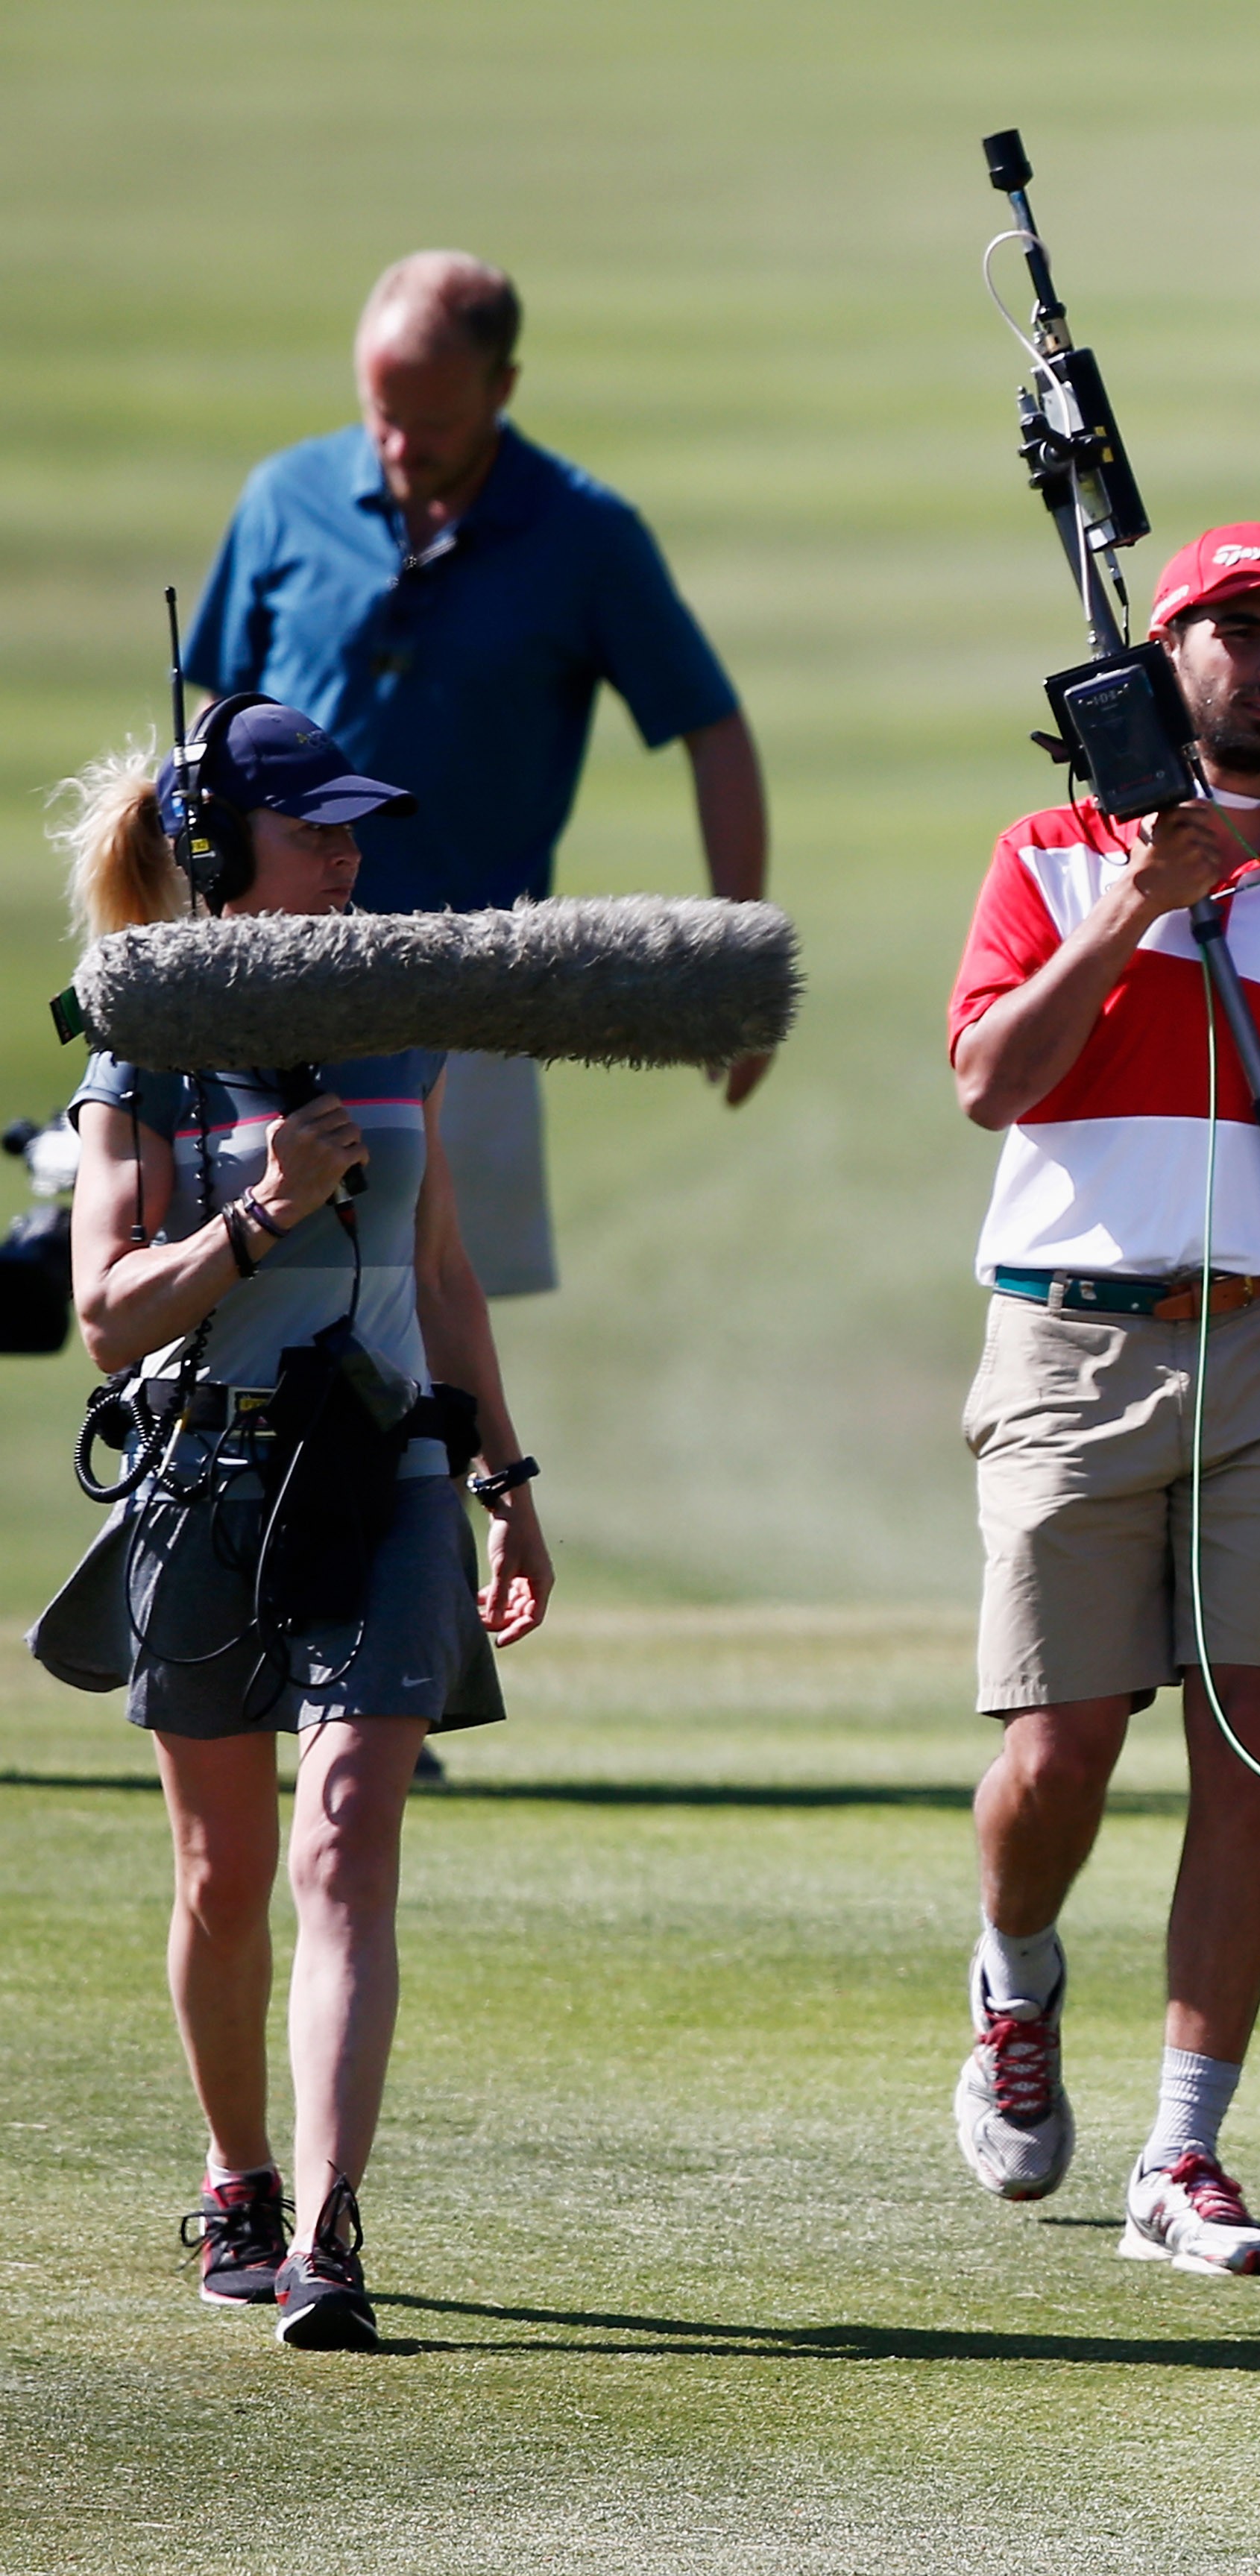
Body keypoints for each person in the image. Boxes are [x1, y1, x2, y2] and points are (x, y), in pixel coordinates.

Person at [28, 703, 554, 2351]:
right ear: (212, 848)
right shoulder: (141, 1052)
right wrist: (264, 1210)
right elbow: (106, 1314)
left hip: (387, 1477)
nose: (345, 853)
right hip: (209, 1475)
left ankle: (327, 2235)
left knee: (343, 1836)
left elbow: (446, 1276)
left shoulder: (405, 1029)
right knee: (223, 1866)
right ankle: (238, 2175)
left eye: (351, 828)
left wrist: (509, 1487)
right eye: (312, 827)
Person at [944, 525, 1260, 2274]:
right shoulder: (1052, 855)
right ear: (1164, 656)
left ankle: (1182, 2153)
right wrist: (1140, 912)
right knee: (1061, 1747)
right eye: (1242, 631)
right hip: (1072, 1340)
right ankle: (1015, 1970)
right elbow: (993, 1081)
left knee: (1252, 1752)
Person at [182, 249, 769, 1304]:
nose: (400, 448)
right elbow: (206, 728)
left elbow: (712, 729)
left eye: (435, 424)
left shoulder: (586, 536)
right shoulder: (285, 497)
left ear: (502, 390)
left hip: (472, 986)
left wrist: (731, 959)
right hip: (266, 973)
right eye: (380, 414)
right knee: (250, 1282)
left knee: (443, 1305)